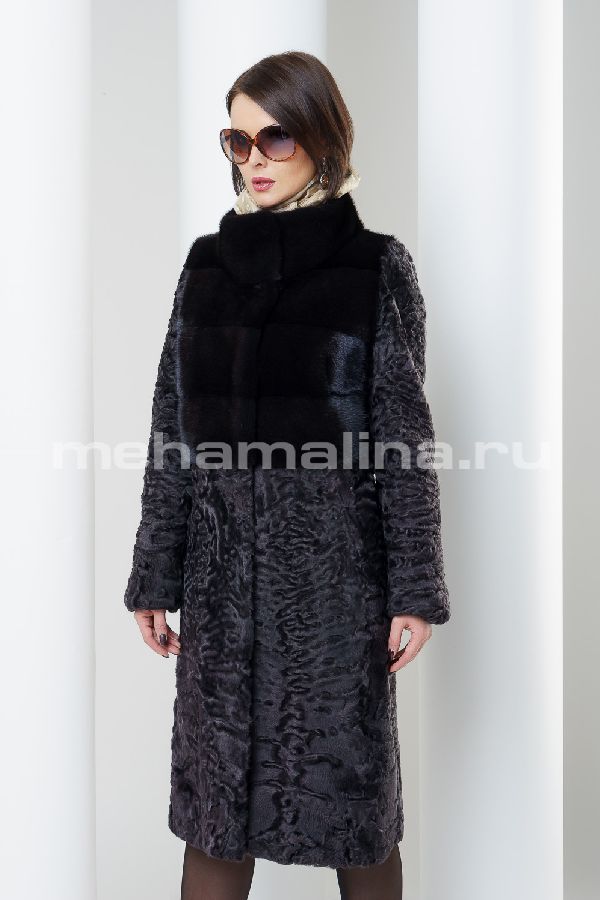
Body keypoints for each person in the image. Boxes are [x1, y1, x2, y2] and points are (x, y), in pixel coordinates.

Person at [123, 50, 451, 900]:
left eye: (276, 137)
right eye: (238, 140)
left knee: (354, 817)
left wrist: (413, 590)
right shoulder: (206, 266)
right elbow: (171, 434)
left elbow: (405, 443)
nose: (255, 158)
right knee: (215, 819)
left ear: (323, 139)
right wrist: (155, 575)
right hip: (220, 594)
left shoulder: (375, 267)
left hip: (334, 595)